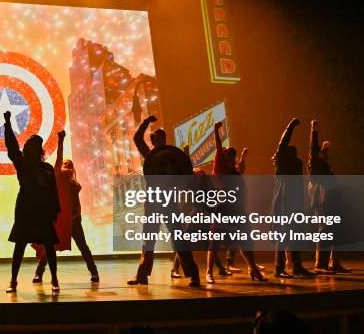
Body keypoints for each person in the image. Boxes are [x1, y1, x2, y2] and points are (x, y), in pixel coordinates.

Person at [127, 115, 200, 287]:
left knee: (179, 237)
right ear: (153, 141)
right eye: (158, 138)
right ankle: (142, 275)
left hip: (169, 201)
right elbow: (137, 138)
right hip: (153, 201)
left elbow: (184, 175)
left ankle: (194, 275)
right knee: (148, 239)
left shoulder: (173, 157)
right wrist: (145, 122)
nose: (162, 139)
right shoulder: (150, 154)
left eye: (163, 137)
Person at [4, 111, 61, 293]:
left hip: (42, 209)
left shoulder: (47, 168)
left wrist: (54, 211)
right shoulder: (22, 163)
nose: (28, 146)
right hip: (25, 207)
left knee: (49, 245)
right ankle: (13, 281)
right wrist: (7, 124)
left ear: (39, 150)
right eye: (28, 143)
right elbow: (12, 148)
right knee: (20, 244)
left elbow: (53, 190)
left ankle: (54, 279)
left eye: (33, 144)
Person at [32, 130, 99, 284]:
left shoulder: (74, 184)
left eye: (70, 165)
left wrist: (78, 214)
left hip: (74, 220)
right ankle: (39, 273)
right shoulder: (57, 178)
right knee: (49, 248)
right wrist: (60, 141)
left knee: (83, 246)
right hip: (60, 219)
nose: (67, 165)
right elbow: (59, 158)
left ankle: (94, 272)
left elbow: (76, 201)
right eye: (65, 164)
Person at [205, 122, 266, 284]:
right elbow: (218, 148)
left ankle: (253, 269)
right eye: (229, 156)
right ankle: (209, 272)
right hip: (223, 210)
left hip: (238, 211)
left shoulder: (235, 172)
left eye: (233, 156)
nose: (231, 158)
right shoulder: (220, 169)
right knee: (215, 242)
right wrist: (215, 131)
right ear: (224, 158)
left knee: (245, 241)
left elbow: (241, 169)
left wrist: (243, 157)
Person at [271, 118, 315, 278]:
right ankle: (278, 268)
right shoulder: (282, 163)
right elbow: (283, 143)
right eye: (291, 151)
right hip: (283, 204)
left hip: (294, 203)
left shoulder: (295, 164)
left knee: (294, 234)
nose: (295, 154)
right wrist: (290, 126)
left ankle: (297, 267)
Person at [308, 120, 350, 274]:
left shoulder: (324, 166)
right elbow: (313, 149)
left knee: (334, 230)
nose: (326, 154)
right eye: (323, 152)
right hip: (322, 202)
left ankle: (334, 262)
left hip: (330, 200)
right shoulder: (314, 165)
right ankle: (320, 265)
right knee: (325, 230)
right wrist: (314, 130)